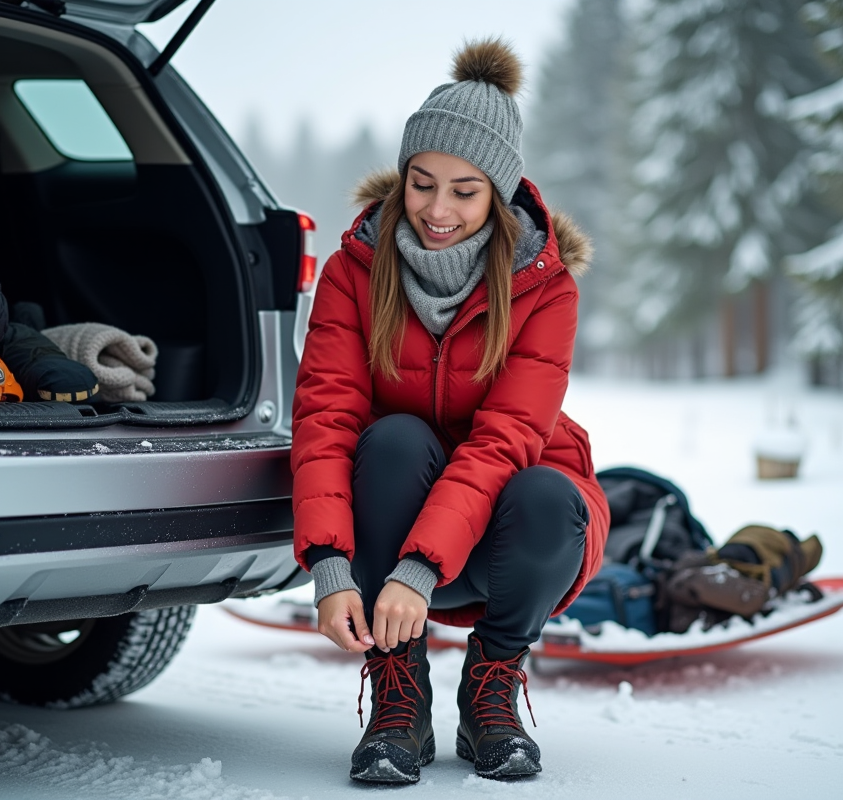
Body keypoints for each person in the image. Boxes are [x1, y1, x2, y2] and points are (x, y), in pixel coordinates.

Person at [290, 38, 610, 784]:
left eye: (464, 191)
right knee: (394, 440)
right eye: (421, 182)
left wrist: (419, 567)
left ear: (497, 195)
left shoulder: (545, 288)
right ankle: (398, 692)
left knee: (546, 493)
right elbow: (325, 416)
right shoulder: (353, 271)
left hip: (507, 536)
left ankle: (491, 684)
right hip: (391, 511)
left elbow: (506, 440)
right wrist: (331, 562)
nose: (437, 209)